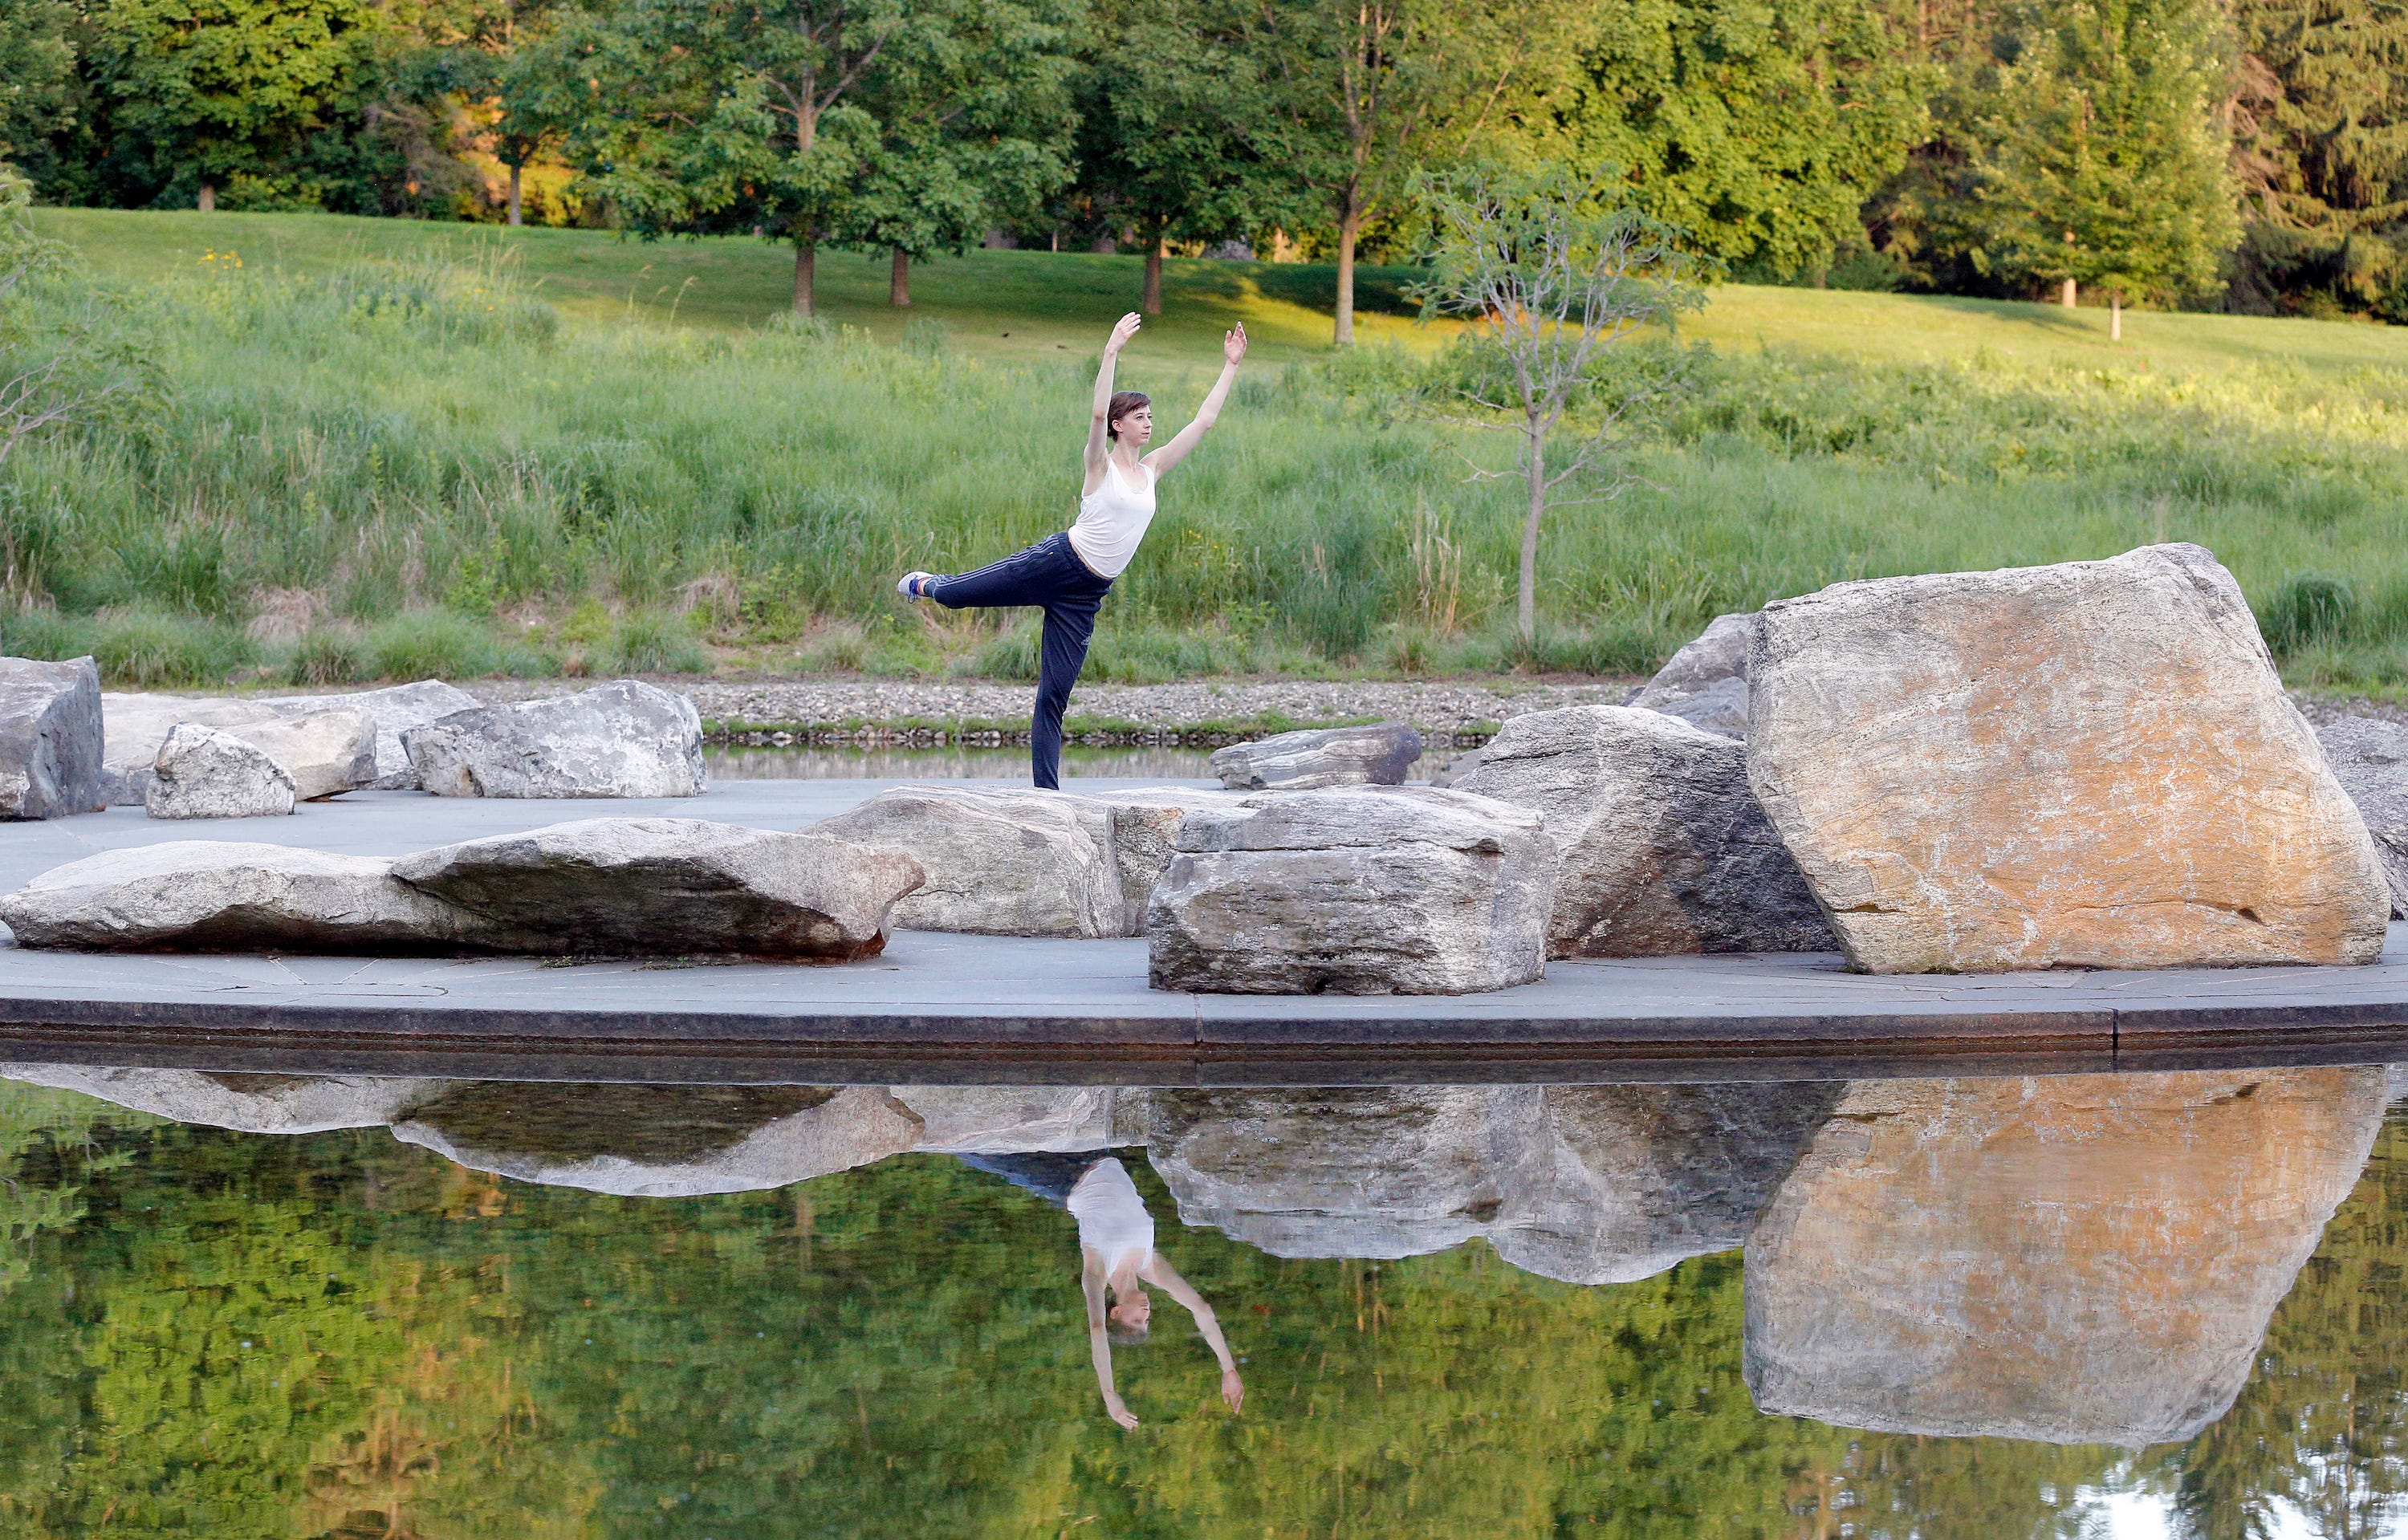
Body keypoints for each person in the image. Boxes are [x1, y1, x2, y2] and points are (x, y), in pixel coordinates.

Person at [899, 313, 1248, 790]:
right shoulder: (1098, 464)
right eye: (1141, 417)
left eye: (1150, 417)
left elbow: (1203, 423)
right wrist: (1111, 352)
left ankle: (1048, 796)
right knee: (956, 597)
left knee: (1054, 698)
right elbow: (1093, 414)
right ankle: (929, 583)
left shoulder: (1152, 471)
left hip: (1086, 596)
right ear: (1119, 424)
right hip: (1056, 563)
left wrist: (1230, 365)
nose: (1150, 424)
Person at [957, 1148, 1244, 1428]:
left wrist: (1109, 1394)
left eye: (1137, 1319)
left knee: (982, 1151)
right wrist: (1228, 1368)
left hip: (1059, 1177)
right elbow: (1201, 1308)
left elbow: (1097, 1330)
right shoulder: (1150, 1264)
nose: (1147, 1312)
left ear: (1116, 1312)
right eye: (1147, 1320)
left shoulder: (1097, 1272)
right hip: (1097, 1152)